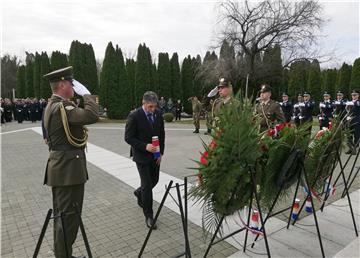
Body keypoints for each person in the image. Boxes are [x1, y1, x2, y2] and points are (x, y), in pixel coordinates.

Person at [43, 66, 99, 258]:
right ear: (62, 84)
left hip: (60, 168)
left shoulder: (51, 105)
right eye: (71, 83)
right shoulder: (63, 107)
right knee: (69, 219)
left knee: (62, 217)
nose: (74, 87)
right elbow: (92, 116)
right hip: (68, 171)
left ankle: (64, 254)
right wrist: (88, 96)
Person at [125, 91, 165, 229]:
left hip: (155, 155)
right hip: (141, 156)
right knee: (147, 185)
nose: (153, 110)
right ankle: (149, 215)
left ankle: (139, 192)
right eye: (150, 107)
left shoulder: (158, 114)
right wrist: (145, 146)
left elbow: (161, 135)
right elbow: (128, 138)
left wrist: (160, 154)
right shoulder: (134, 116)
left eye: (155, 106)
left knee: (155, 180)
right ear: (144, 103)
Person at [345, 90, 360, 154]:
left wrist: (351, 103)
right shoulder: (349, 102)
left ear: (358, 95)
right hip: (349, 120)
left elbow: (357, 104)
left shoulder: (358, 102)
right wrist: (347, 117)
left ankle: (355, 148)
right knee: (349, 134)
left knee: (356, 135)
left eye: (355, 95)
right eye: (352, 95)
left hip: (357, 120)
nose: (353, 96)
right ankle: (351, 148)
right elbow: (347, 110)